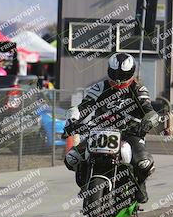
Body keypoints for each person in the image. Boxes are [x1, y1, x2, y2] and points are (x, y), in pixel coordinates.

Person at [63, 53, 159, 203]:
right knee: (71, 158)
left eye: (123, 74)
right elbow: (84, 107)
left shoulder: (138, 89)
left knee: (143, 162)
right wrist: (73, 121)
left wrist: (148, 121)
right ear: (109, 71)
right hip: (99, 130)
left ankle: (140, 184)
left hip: (130, 132)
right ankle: (86, 183)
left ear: (131, 72)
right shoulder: (100, 87)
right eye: (115, 74)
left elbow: (149, 109)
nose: (119, 78)